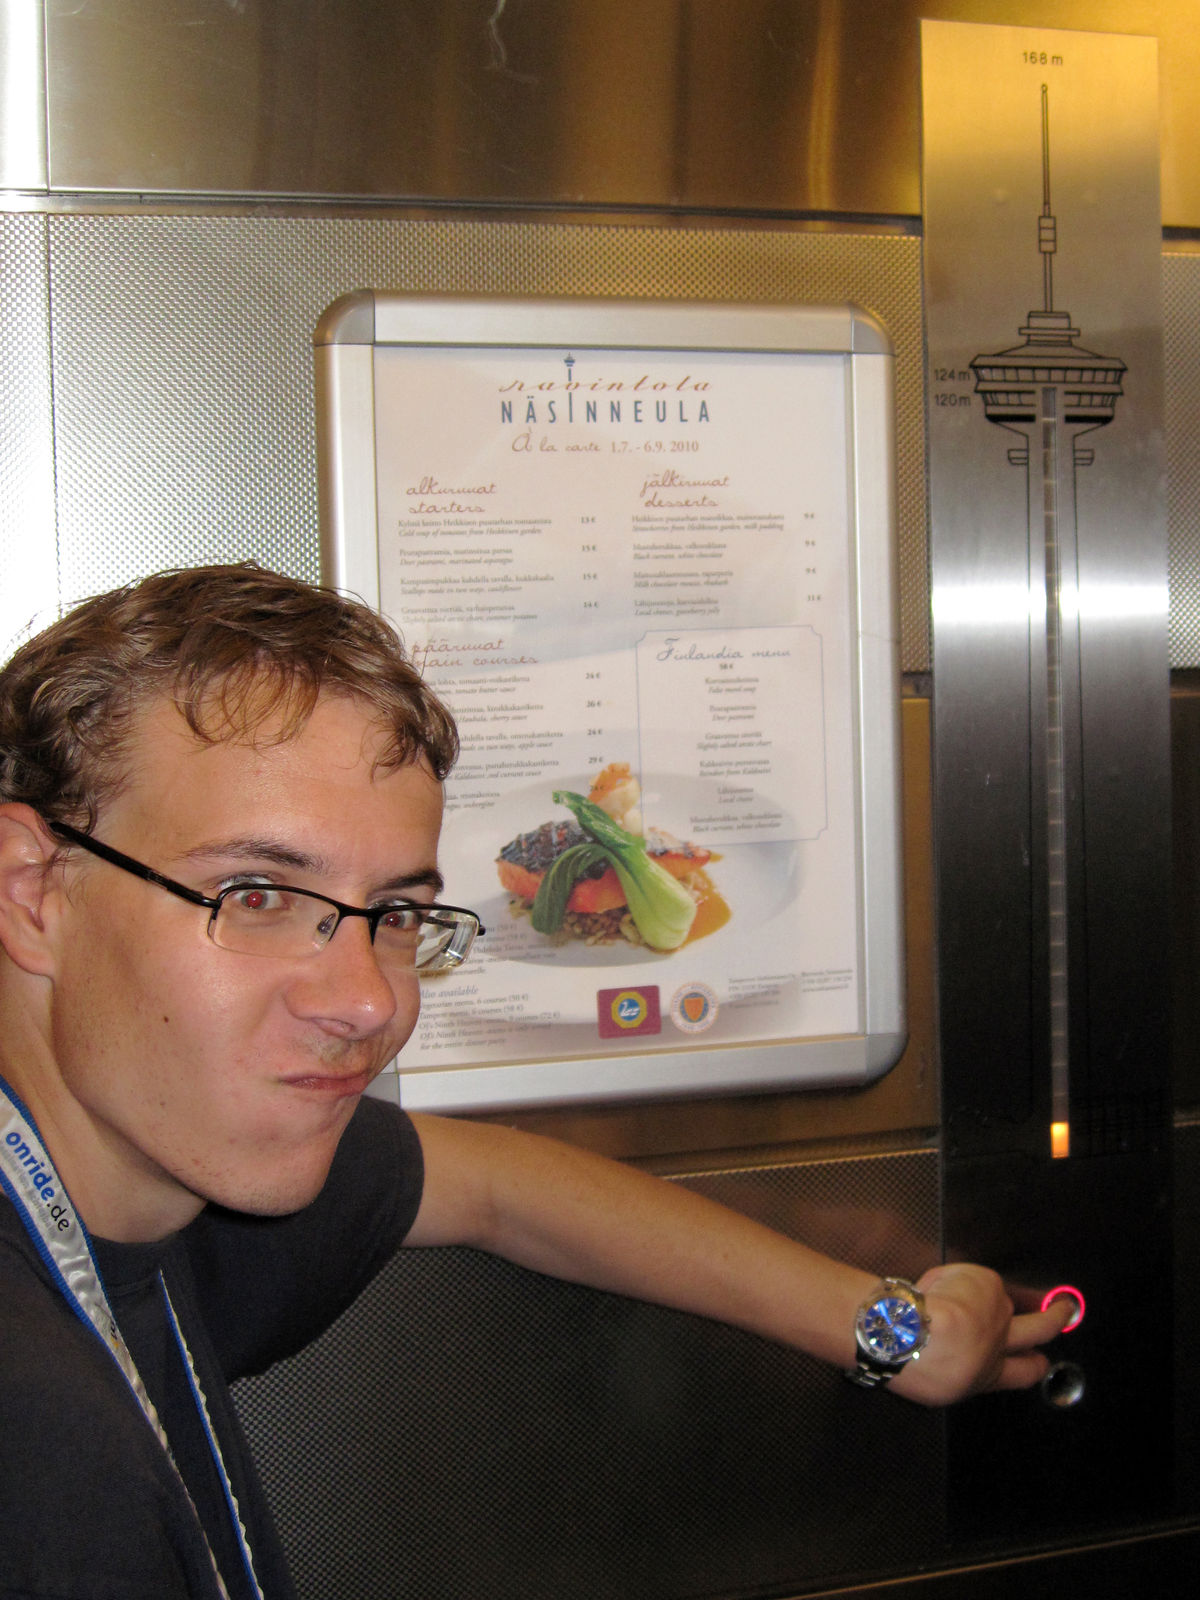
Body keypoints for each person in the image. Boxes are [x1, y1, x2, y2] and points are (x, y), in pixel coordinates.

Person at [0, 563, 1070, 1600]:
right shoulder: (54, 1469)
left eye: (397, 914)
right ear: (31, 889)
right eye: (256, 895)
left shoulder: (155, 1173)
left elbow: (494, 1186)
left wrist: (892, 1334)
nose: (369, 1003)